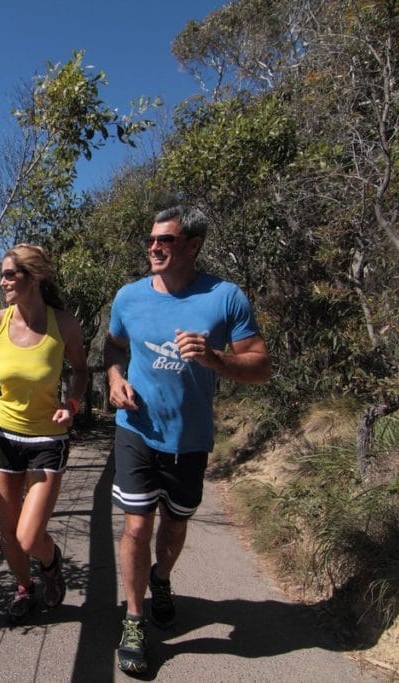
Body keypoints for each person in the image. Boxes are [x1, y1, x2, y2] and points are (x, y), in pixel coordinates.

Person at [104, 206, 271, 673]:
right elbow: (114, 346)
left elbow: (261, 366)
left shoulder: (224, 297)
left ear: (192, 246)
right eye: (152, 240)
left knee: (174, 526)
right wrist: (115, 381)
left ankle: (162, 578)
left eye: (167, 241)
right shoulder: (128, 297)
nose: (154, 247)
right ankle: (134, 621)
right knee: (137, 526)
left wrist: (216, 359)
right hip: (136, 431)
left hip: (190, 439)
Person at [0, 243, 88, 625]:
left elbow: (81, 370)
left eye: (10, 274)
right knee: (8, 531)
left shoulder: (63, 324)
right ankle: (24, 588)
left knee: (30, 537)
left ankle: (50, 563)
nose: (2, 281)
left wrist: (74, 403)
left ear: (34, 277)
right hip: (3, 438)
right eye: (2, 274)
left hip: (48, 440)